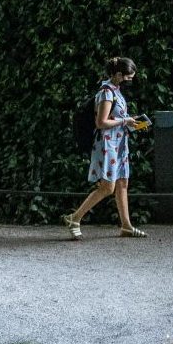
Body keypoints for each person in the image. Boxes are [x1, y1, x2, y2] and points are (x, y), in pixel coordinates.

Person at [65, 56, 149, 240]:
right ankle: (74, 218)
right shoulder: (106, 92)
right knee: (107, 187)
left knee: (122, 184)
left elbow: (115, 118)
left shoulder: (116, 90)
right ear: (118, 75)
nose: (131, 80)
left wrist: (131, 123)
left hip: (118, 144)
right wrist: (125, 120)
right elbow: (101, 122)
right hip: (107, 146)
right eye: (129, 77)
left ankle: (126, 226)